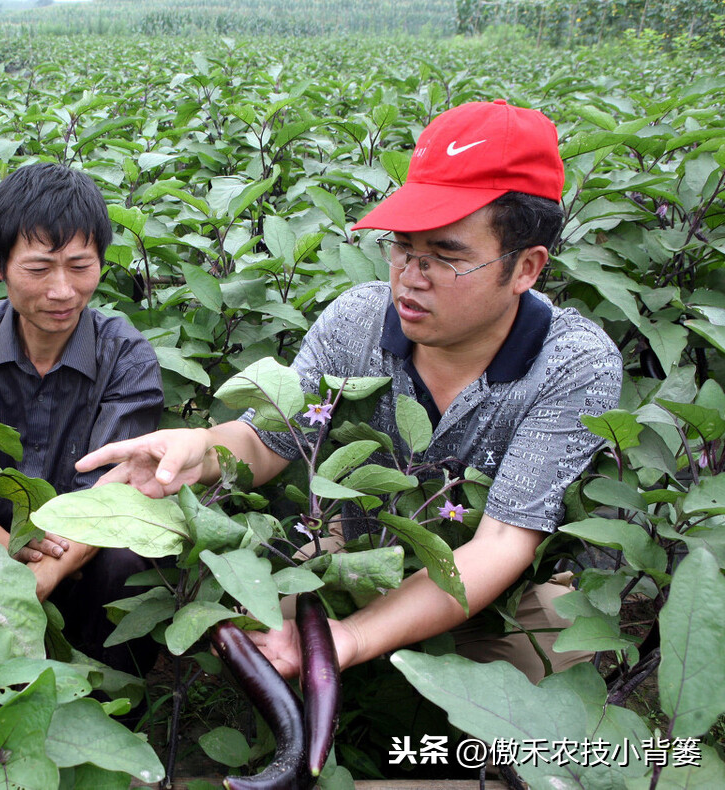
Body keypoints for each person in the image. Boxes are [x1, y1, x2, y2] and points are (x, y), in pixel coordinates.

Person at [77, 100, 623, 683]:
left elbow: (501, 545)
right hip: (363, 557)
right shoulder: (359, 319)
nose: (411, 277)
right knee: (255, 640)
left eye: (445, 257)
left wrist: (354, 638)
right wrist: (201, 450)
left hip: (506, 592)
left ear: (525, 268)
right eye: (403, 248)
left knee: (536, 707)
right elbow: (270, 441)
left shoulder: (573, 362)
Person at [0, 162, 164, 673]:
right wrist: (6, 561)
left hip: (85, 557)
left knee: (128, 560)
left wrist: (46, 573)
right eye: (39, 269)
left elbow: (116, 489)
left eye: (80, 266)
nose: (62, 291)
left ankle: (113, 699)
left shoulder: (126, 355)